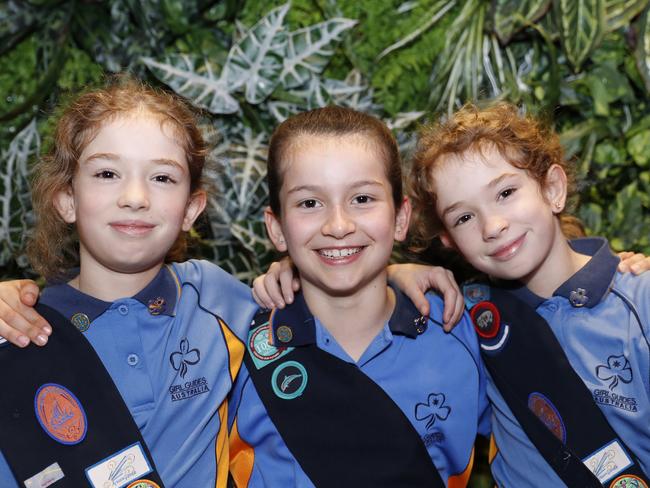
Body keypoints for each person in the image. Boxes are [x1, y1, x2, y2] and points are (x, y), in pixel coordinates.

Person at [0, 78, 261, 487]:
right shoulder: (20, 335)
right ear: (67, 198)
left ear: (191, 209)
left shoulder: (215, 297)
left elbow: (326, 312)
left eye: (162, 178)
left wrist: (397, 274)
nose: (136, 196)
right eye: (107, 172)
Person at [390, 102, 649, 487]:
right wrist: (392, 272)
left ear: (553, 189)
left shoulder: (638, 301)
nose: (492, 226)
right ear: (449, 241)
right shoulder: (467, 318)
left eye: (506, 192)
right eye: (464, 217)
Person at [228, 105, 489, 487]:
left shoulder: (460, 329)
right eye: (309, 203)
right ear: (278, 227)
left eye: (363, 199)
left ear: (401, 218)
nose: (338, 226)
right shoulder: (234, 345)